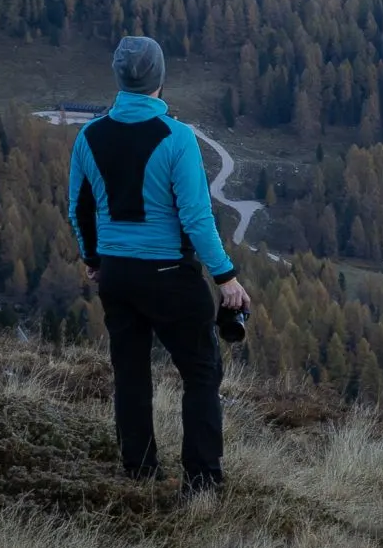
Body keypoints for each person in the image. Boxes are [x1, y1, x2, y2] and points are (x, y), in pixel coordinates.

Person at [66, 35, 250, 495]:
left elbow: (79, 208)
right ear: (160, 79)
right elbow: (195, 216)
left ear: (119, 77)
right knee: (201, 372)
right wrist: (225, 276)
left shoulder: (88, 136)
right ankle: (202, 482)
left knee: (130, 371)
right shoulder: (177, 138)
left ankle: (139, 471)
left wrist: (93, 259)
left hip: (117, 274)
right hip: (169, 275)